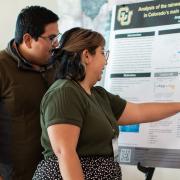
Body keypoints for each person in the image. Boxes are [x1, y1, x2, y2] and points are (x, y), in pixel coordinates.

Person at [33, 27, 180, 180]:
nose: (106, 61)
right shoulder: (64, 92)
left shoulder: (99, 95)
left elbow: (140, 111)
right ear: (87, 56)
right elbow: (65, 153)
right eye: (103, 53)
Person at [0, 6, 60, 180]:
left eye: (57, 37)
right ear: (27, 40)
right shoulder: (2, 67)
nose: (56, 43)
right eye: (51, 38)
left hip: (53, 173)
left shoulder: (56, 66)